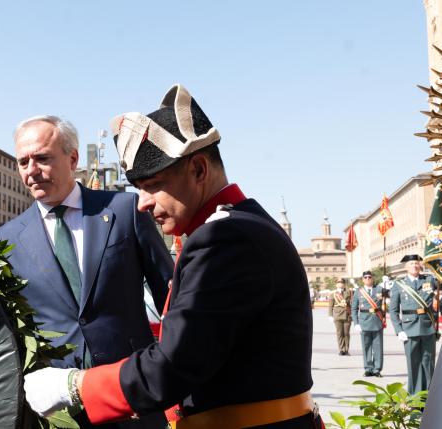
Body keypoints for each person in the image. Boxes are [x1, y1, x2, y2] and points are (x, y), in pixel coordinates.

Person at [22, 84, 318, 428]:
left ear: (198, 170)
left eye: (152, 185)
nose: (143, 203)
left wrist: (75, 386)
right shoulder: (238, 224)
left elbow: (176, 364)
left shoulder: (225, 238)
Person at [0, 116, 173, 428]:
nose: (31, 170)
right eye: (23, 162)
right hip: (57, 412)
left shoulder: (124, 210)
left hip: (132, 397)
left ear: (72, 158)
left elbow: (172, 300)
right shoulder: (6, 239)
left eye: (42, 158)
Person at [389, 254, 440, 395]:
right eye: (411, 263)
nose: (415, 266)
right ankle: (415, 396)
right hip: (409, 328)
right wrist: (399, 330)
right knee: (413, 364)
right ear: (406, 267)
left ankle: (430, 395)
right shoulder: (399, 284)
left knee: (428, 362)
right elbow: (393, 310)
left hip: (427, 327)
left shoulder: (430, 280)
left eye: (417, 263)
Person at [351, 271, 384, 377]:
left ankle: (377, 369)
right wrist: (356, 323)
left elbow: (391, 295)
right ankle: (368, 368)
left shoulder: (379, 289)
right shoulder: (358, 291)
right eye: (365, 277)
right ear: (362, 279)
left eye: (370, 277)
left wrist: (387, 284)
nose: (368, 279)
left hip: (377, 321)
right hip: (364, 321)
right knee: (366, 346)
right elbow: (354, 308)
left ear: (373, 278)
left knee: (378, 347)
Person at [328, 279, 352, 356]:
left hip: (347, 315)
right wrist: (330, 315)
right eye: (338, 282)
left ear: (344, 284)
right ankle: (341, 349)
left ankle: (346, 349)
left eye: (342, 282)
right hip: (337, 315)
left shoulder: (349, 292)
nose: (340, 284)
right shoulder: (333, 294)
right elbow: (330, 306)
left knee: (346, 333)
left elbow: (352, 303)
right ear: (336, 284)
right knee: (339, 333)